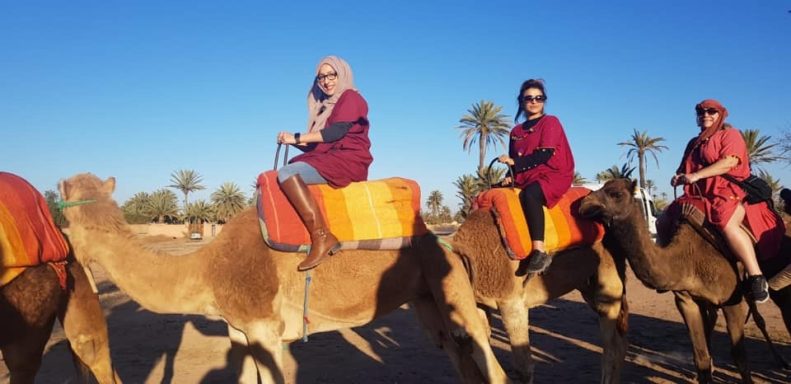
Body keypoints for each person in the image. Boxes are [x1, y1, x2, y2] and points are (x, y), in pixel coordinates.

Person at [276, 56, 372, 271]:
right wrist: (291, 141)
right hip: (330, 157)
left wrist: (297, 137)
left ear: (343, 74)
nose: (327, 81)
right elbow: (317, 147)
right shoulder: (325, 107)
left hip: (349, 159)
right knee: (286, 171)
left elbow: (334, 133)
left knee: (288, 173)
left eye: (332, 75)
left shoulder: (350, 98)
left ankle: (322, 236)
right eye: (321, 77)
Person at [671, 99, 769, 303]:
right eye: (701, 112)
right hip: (699, 194)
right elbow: (683, 168)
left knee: (726, 223)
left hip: (727, 191)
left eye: (711, 111)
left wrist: (697, 175)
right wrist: (678, 176)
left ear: (720, 114)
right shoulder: (694, 142)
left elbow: (729, 162)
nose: (705, 114)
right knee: (666, 219)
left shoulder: (730, 135)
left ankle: (756, 275)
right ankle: (671, 267)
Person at [497, 79, 575, 274]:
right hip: (527, 174)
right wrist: (509, 176)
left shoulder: (550, 122)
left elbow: (544, 154)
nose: (534, 101)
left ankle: (538, 250)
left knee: (530, 195)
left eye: (538, 98)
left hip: (552, 173)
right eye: (529, 98)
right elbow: (515, 160)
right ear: (522, 101)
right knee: (496, 193)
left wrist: (515, 164)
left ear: (544, 101)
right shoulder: (516, 131)